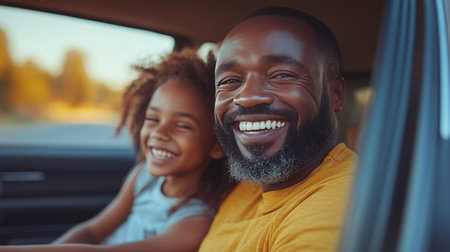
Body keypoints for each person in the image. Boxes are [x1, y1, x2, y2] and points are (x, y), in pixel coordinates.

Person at [0, 49, 235, 252]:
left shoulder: (194, 222)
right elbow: (91, 231)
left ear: (217, 145)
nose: (159, 133)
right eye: (152, 119)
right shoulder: (143, 178)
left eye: (182, 125)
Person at [198, 6, 357, 252]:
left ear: (335, 94)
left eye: (282, 75)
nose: (248, 97)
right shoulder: (250, 183)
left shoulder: (338, 203)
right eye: (230, 81)